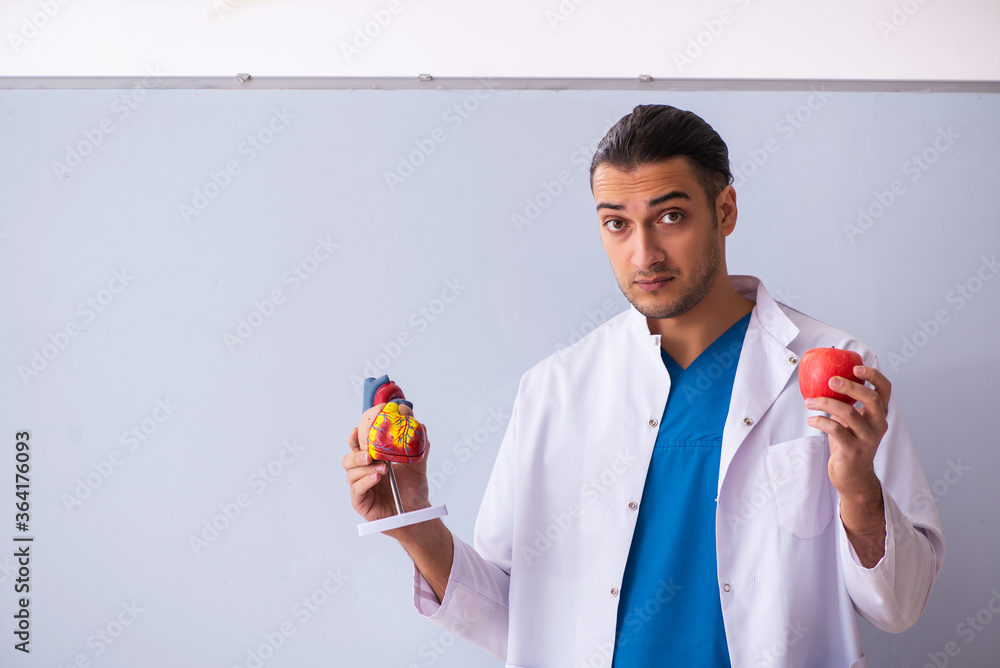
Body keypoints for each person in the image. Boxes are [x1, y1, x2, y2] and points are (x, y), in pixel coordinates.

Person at [343, 104, 945, 667]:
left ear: (726, 211)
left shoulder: (836, 368)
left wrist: (858, 487)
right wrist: (414, 523)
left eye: (671, 216)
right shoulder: (556, 391)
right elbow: (513, 616)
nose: (644, 253)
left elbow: (900, 605)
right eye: (616, 225)